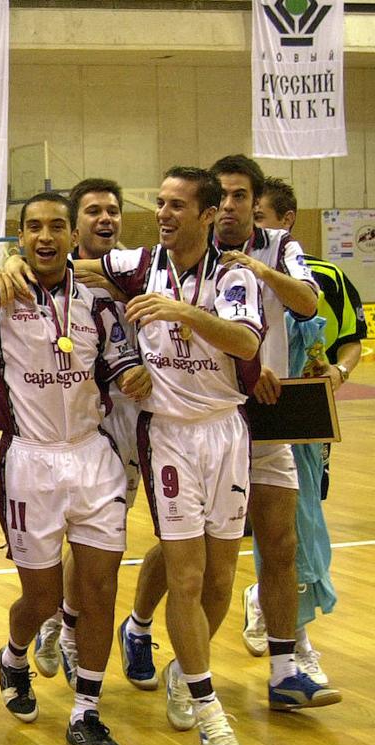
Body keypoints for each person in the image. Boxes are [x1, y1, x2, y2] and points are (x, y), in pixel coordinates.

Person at [121, 155, 340, 714]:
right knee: (181, 555)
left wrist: (259, 269)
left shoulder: (275, 248)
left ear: (249, 205)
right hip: (206, 411)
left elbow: (309, 302)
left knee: (278, 543)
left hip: (264, 414)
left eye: (243, 197)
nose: (234, 207)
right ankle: (142, 624)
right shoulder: (164, 261)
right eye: (226, 195)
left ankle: (285, 667)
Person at [0, 192, 147, 745]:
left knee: (98, 590)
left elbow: (122, 364)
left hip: (94, 459)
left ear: (73, 237)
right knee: (41, 596)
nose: (46, 236)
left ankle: (87, 710)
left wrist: (137, 375)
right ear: (18, 238)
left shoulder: (98, 302)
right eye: (33, 227)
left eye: (57, 226)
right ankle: (15, 655)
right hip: (29, 462)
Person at [89, 167, 263, 745]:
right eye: (159, 202)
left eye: (176, 205)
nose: (162, 213)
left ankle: (184, 671)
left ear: (208, 214)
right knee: (186, 578)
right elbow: (79, 269)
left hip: (226, 435)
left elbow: (244, 343)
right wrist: (13, 266)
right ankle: (210, 706)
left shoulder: (234, 275)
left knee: (218, 582)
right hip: (168, 437)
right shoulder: (139, 264)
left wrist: (181, 313)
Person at [244, 176, 365, 686]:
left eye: (259, 217)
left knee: (300, 530)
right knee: (248, 534)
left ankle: (293, 638)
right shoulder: (227, 274)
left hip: (302, 418)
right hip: (242, 417)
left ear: (284, 222)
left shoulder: (325, 279)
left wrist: (336, 373)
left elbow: (349, 343)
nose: (250, 228)